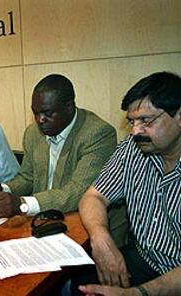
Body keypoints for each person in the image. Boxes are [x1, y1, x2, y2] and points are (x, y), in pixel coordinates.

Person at [72, 72, 181, 295]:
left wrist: (138, 293)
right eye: (132, 121)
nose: (135, 131)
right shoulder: (133, 148)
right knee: (77, 284)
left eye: (146, 120)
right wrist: (100, 237)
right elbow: (93, 196)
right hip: (145, 258)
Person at [0, 74, 124, 238]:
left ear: (69, 106)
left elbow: (78, 192)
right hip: (44, 223)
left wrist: (23, 205)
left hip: (90, 228)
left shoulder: (97, 134)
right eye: (36, 113)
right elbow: (27, 177)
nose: (40, 120)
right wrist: (3, 189)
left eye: (48, 113)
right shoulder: (33, 133)